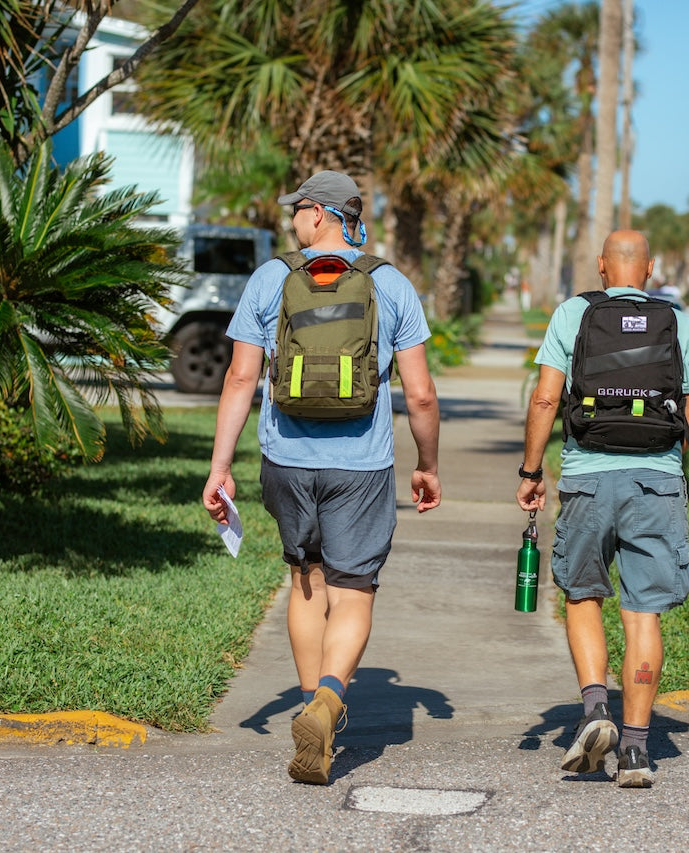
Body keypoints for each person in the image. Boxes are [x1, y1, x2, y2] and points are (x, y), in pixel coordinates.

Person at [203, 170, 442, 785]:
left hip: (287, 459)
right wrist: (428, 464)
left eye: (296, 211)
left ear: (318, 214)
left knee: (305, 579)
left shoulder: (272, 278)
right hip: (361, 465)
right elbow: (419, 394)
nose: (291, 221)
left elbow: (238, 379)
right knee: (354, 589)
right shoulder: (389, 283)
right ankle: (331, 697)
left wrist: (220, 465)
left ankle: (313, 702)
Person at [516, 230, 689, 788]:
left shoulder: (572, 315)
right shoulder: (678, 320)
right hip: (656, 482)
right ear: (649, 269)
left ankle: (596, 709)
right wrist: (661, 456)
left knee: (583, 596)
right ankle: (635, 751)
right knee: (641, 611)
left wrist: (532, 471)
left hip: (585, 479)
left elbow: (547, 398)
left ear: (602, 267)